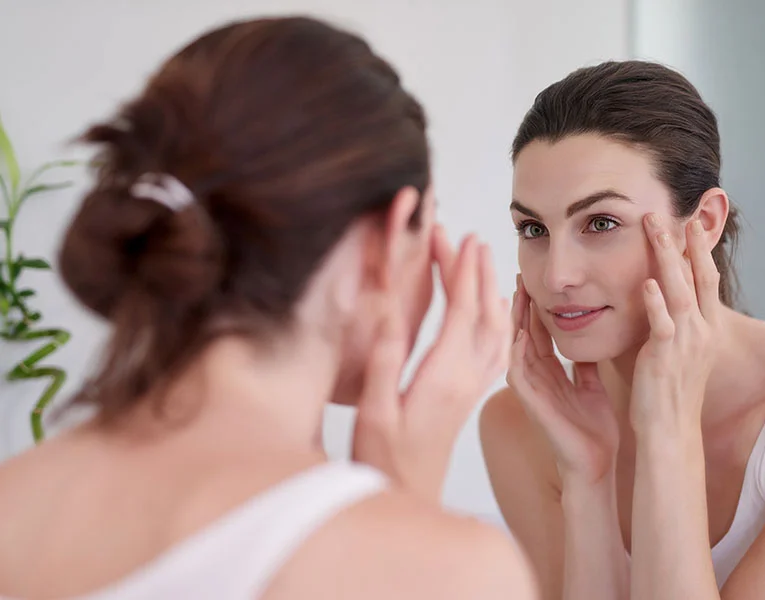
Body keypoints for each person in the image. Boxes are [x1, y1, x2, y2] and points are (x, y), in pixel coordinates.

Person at [0, 16, 537, 600]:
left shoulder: (15, 502)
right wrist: (403, 507)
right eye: (427, 228)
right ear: (380, 243)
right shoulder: (442, 568)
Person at [480, 60, 765, 600]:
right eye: (533, 228)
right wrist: (587, 479)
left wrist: (667, 432)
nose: (556, 275)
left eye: (601, 223)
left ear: (701, 224)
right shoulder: (524, 424)